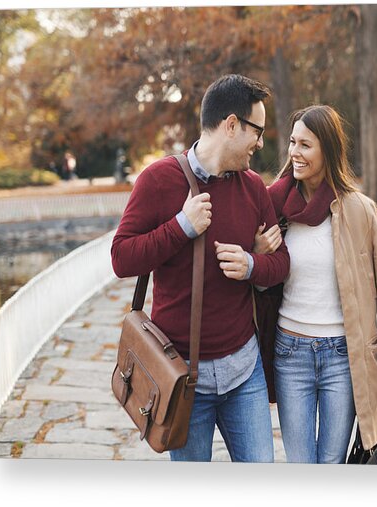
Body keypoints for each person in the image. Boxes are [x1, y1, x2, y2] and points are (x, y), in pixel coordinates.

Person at [111, 74, 290, 462]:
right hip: (181, 379)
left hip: (246, 373)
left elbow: (281, 264)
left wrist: (252, 265)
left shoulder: (254, 187)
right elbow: (121, 258)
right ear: (230, 125)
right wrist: (180, 227)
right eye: (256, 131)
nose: (261, 144)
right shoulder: (158, 180)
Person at [254, 105, 377, 464]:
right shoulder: (274, 207)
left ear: (328, 149)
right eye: (292, 142)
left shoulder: (360, 210)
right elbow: (259, 287)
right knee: (302, 466)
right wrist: (259, 256)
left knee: (333, 465)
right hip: (291, 355)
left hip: (344, 356)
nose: (294, 152)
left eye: (305, 145)